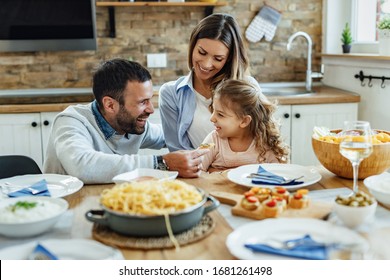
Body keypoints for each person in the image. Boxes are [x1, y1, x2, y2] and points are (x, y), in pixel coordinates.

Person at [43, 58, 208, 184]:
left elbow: (172, 135)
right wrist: (162, 162)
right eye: (142, 102)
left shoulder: (132, 126)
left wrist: (219, 135)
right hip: (65, 209)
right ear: (110, 104)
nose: (151, 109)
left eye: (150, 100)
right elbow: (82, 166)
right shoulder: (71, 122)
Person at [159, 13, 267, 152]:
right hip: (198, 172)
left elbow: (264, 138)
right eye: (202, 52)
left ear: (228, 59)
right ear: (192, 46)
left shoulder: (248, 88)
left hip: (242, 171)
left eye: (218, 58)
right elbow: (178, 152)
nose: (206, 64)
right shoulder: (171, 93)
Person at [200, 79, 289, 172]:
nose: (212, 118)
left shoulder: (263, 143)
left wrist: (216, 171)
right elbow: (196, 170)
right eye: (213, 110)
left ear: (244, 121)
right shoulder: (213, 140)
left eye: (220, 114)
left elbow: (278, 173)